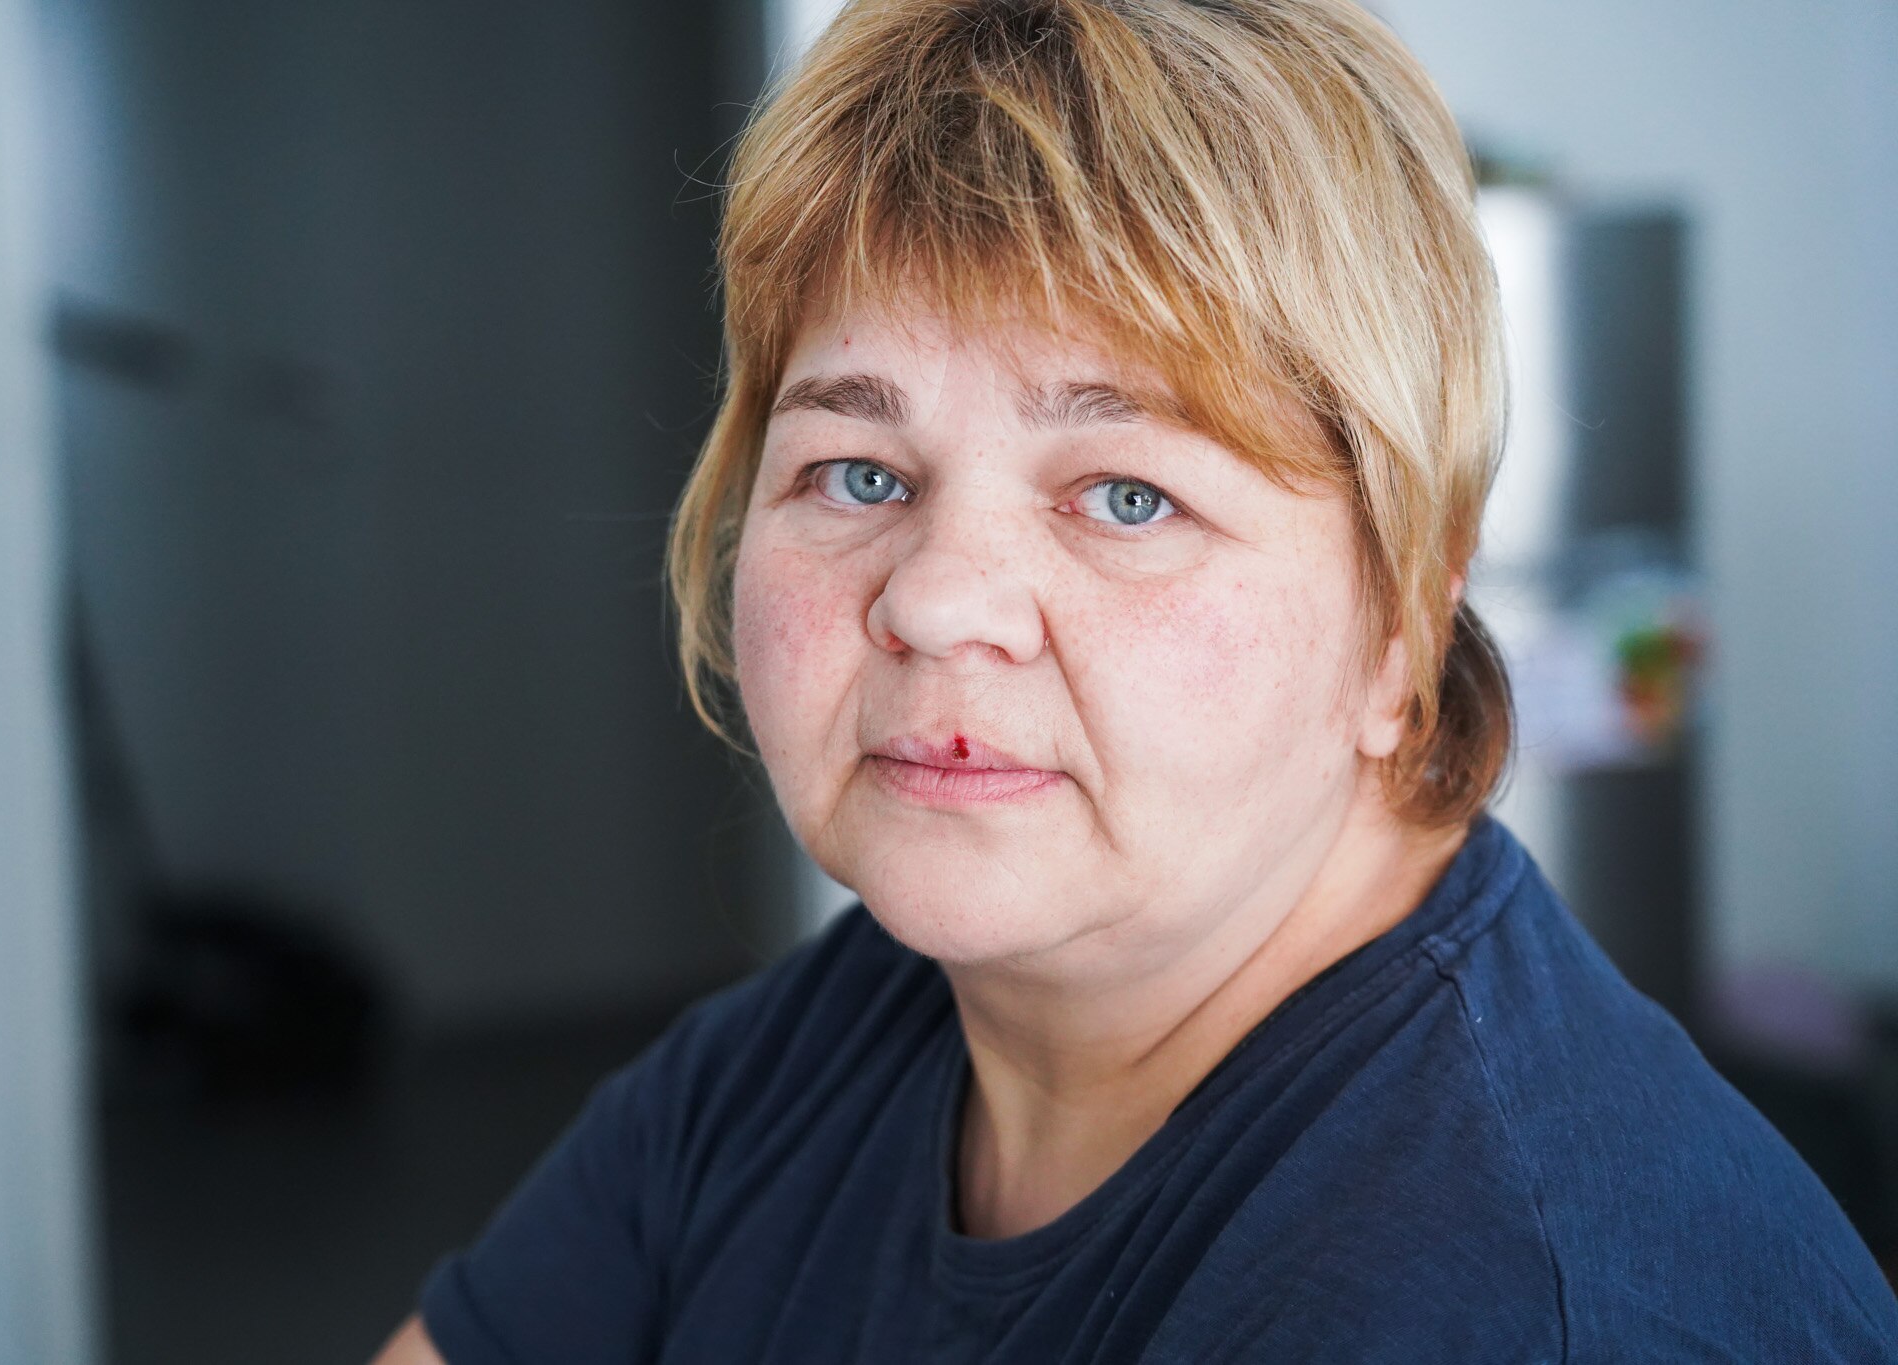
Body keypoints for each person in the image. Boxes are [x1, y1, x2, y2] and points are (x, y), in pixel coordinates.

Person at [371, 1, 1898, 1360]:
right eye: (855, 469)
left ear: (1400, 630)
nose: (938, 599)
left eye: (1126, 495)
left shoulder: (1519, 1299)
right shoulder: (810, 1060)